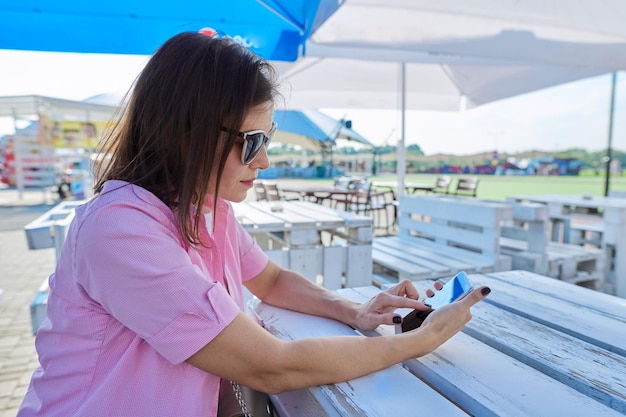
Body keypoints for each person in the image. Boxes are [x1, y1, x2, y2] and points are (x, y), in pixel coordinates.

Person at [18, 32, 491, 417]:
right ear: (187, 136)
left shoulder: (205, 206)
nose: (264, 160)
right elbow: (269, 367)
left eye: (268, 139)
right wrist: (419, 341)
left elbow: (272, 280)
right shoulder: (121, 232)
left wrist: (355, 311)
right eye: (251, 142)